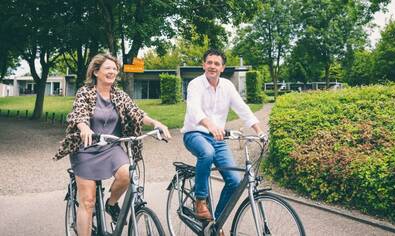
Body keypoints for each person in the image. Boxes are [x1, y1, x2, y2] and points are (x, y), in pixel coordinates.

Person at [54, 53, 171, 236]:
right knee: (88, 201)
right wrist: (84, 127)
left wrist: (156, 123)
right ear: (96, 72)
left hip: (111, 146)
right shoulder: (85, 92)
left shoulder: (119, 95)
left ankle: (111, 204)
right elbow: (79, 113)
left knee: (127, 174)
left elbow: (136, 112)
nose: (112, 72)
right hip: (86, 147)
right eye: (108, 68)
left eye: (115, 69)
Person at [182, 49, 265, 231]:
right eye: (209, 62)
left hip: (217, 138)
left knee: (235, 181)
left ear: (223, 67)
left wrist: (259, 131)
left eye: (216, 63)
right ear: (204, 65)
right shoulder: (195, 84)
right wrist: (210, 125)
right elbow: (194, 110)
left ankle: (215, 224)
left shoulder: (227, 86)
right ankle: (200, 200)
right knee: (207, 152)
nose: (212, 66)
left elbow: (242, 108)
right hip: (194, 134)